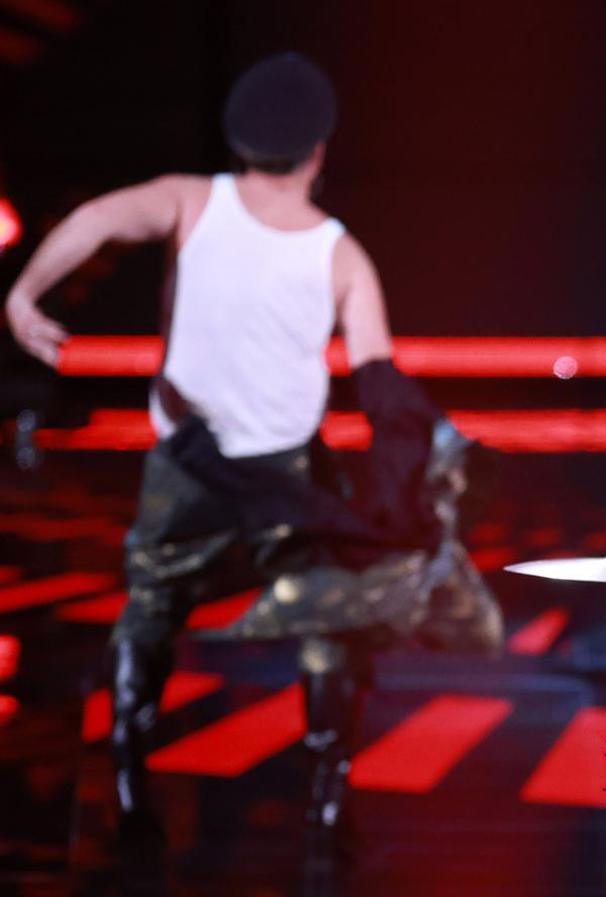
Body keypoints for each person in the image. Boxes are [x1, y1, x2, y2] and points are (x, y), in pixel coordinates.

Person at [4, 53, 500, 843]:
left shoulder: (190, 201)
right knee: (328, 621)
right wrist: (408, 478)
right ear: (318, 150)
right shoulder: (340, 252)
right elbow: (378, 376)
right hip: (284, 473)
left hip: (186, 467)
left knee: (151, 608)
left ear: (239, 141)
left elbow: (96, 218)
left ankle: (129, 778)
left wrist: (24, 295)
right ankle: (327, 794)